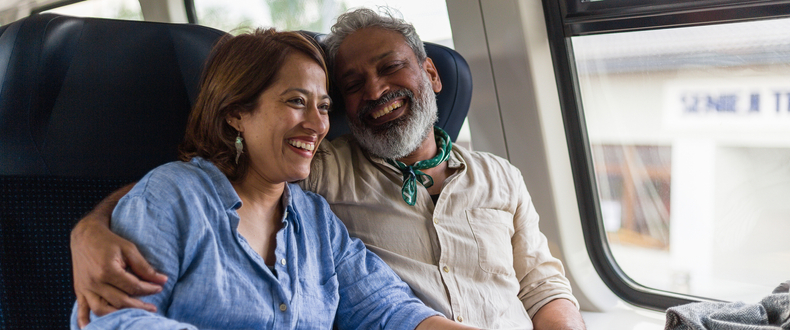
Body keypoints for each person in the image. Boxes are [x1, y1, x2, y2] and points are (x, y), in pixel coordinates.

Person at [70, 8, 587, 330]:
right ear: (237, 113)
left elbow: (389, 310)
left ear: (430, 73)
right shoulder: (191, 194)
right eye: (297, 101)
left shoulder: (315, 220)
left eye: (322, 106)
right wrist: (90, 228)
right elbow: (117, 318)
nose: (318, 124)